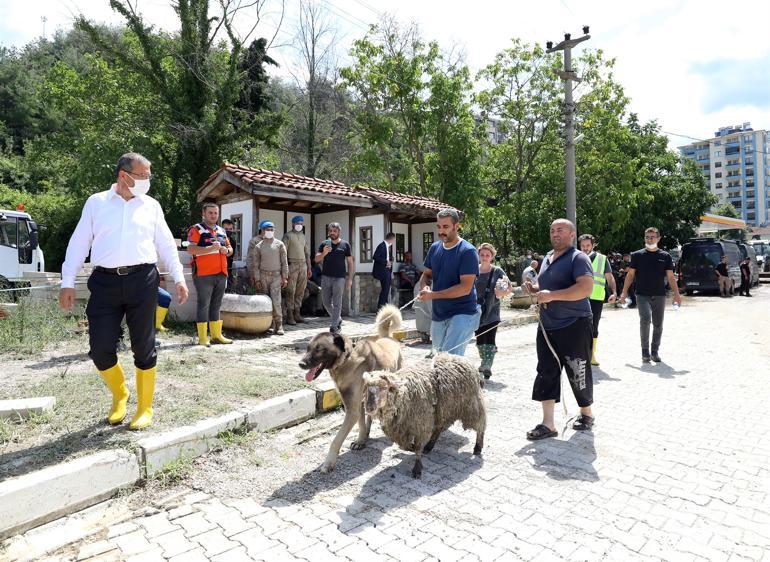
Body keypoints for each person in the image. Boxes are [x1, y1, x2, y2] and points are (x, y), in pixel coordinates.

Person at [59, 152, 188, 430]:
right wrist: (67, 282)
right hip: (104, 283)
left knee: (144, 346)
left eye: (148, 176)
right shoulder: (97, 203)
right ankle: (120, 395)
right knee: (100, 348)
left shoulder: (151, 206)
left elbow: (166, 244)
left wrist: (178, 277)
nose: (148, 181)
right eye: (143, 176)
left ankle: (144, 408)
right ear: (123, 175)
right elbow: (79, 243)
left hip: (143, 280)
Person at [523, 219, 594, 440]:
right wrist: (534, 289)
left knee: (577, 371)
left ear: (572, 234)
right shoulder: (546, 258)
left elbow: (585, 288)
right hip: (547, 325)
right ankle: (548, 424)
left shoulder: (578, 258)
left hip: (574, 323)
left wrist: (552, 295)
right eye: (552, 230)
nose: (555, 234)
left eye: (560, 230)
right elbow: (548, 287)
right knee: (546, 371)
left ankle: (586, 413)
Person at [418, 208, 480, 356]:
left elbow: (465, 288)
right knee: (437, 359)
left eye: (445, 227)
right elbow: (426, 275)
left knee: (448, 362)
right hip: (439, 314)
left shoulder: (467, 251)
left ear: (456, 226)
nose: (441, 231)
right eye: (439, 226)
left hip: (463, 313)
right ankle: (468, 378)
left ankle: (467, 378)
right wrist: (425, 287)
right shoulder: (434, 248)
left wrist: (432, 295)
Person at [620, 227, 681, 363]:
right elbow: (630, 275)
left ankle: (655, 351)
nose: (650, 239)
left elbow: (671, 277)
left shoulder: (665, 256)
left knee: (658, 324)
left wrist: (677, 295)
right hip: (642, 294)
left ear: (658, 238)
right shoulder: (637, 255)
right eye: (647, 237)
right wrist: (624, 292)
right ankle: (645, 352)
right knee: (645, 320)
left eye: (652, 237)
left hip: (659, 295)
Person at [187, 203, 234, 346]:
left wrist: (227, 251)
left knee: (216, 305)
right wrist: (210, 248)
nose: (213, 215)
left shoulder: (221, 230)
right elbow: (191, 249)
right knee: (203, 305)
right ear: (204, 213)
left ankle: (216, 335)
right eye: (210, 213)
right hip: (204, 274)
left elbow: (230, 248)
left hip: (221, 273)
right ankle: (202, 338)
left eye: (216, 213)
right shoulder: (196, 229)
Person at [578, 234, 618, 366]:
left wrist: (614, 292)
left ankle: (591, 354)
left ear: (593, 245)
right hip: (578, 297)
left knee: (594, 327)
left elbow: (609, 277)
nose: (585, 248)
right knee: (577, 326)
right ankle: (579, 353)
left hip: (596, 298)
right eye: (583, 246)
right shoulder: (575, 258)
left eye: (588, 245)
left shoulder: (602, 259)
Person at [475, 243, 512, 379]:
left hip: (492, 311)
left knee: (490, 338)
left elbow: (508, 288)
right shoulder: (474, 270)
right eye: (482, 254)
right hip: (476, 312)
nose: (484, 257)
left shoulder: (497, 271)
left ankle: (487, 365)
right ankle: (484, 361)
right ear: (479, 255)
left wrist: (501, 292)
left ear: (492, 256)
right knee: (479, 339)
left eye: (487, 255)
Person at [248, 221, 289, 335]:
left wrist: (285, 277)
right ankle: (268, 324)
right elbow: (255, 264)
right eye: (268, 229)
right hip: (263, 276)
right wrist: (257, 279)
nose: (270, 231)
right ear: (262, 231)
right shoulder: (258, 246)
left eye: (272, 229)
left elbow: (284, 262)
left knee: (276, 301)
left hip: (276, 276)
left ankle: (279, 324)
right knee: (265, 301)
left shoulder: (280, 244)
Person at [314, 222, 354, 333]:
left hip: (340, 278)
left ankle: (334, 326)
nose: (332, 233)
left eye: (334, 231)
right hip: (326, 277)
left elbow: (350, 263)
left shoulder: (345, 245)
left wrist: (350, 278)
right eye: (330, 231)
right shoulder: (324, 244)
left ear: (338, 232)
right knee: (326, 302)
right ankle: (338, 319)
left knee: (337, 302)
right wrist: (324, 253)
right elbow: (316, 259)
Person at [282, 216, 312, 324]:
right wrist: (286, 269)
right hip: (292, 264)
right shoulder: (288, 235)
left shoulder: (303, 236)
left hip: (303, 265)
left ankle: (297, 314)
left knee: (301, 290)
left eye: (301, 223)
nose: (300, 225)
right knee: (291, 290)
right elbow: (283, 253)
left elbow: (307, 253)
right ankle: (290, 315)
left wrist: (309, 267)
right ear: (293, 224)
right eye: (298, 223)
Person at [372, 233, 396, 309]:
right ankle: (380, 309)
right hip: (383, 271)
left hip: (386, 270)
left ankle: (384, 308)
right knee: (385, 291)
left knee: (386, 290)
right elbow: (375, 256)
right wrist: (386, 262)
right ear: (392, 239)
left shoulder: (387, 246)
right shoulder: (382, 245)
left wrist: (389, 262)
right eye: (394, 240)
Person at [221, 219, 237, 292]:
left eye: (230, 229)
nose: (228, 231)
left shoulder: (233, 242)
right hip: (218, 272)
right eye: (226, 229)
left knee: (228, 291)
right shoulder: (217, 240)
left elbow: (231, 256)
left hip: (229, 270)